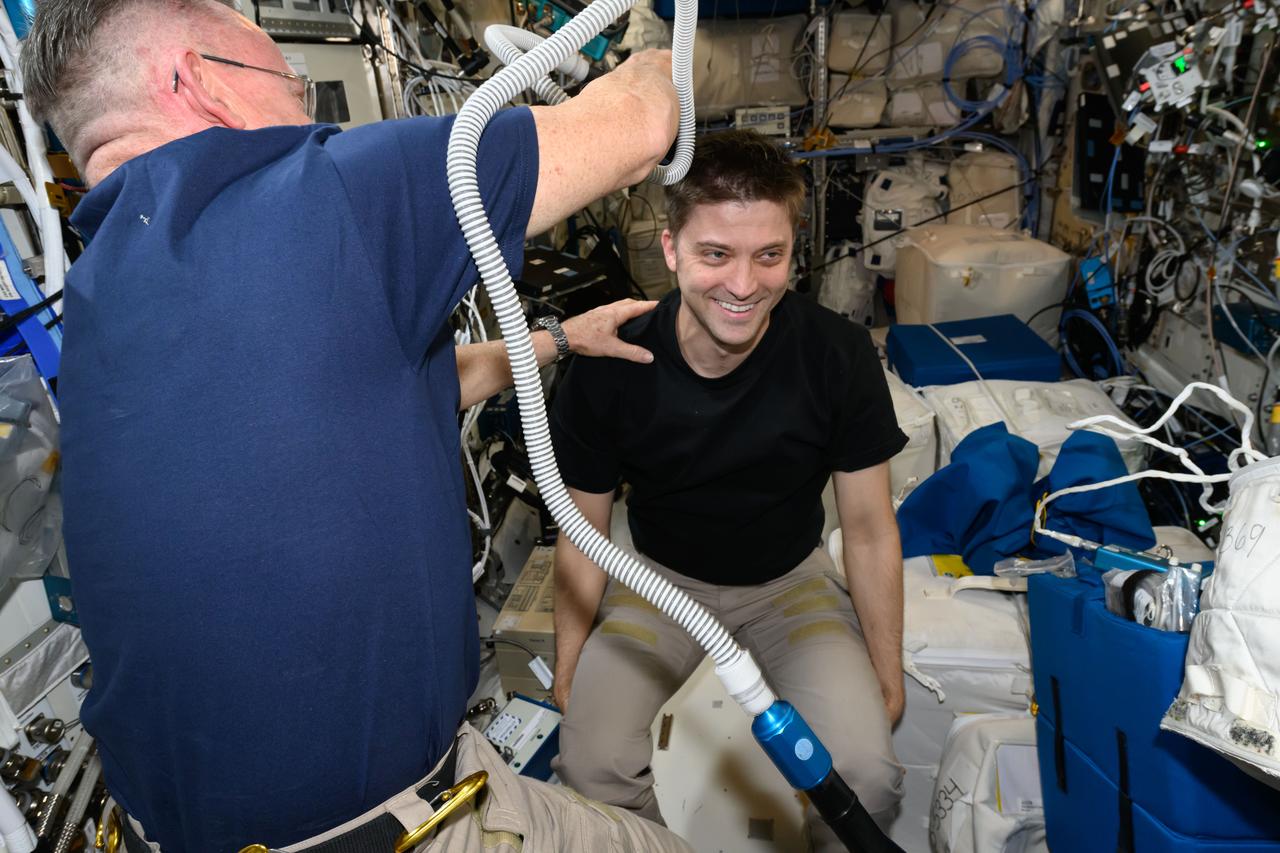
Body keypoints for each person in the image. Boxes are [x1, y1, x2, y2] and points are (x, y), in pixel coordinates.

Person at [20, 0, 694, 850]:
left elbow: (355, 395)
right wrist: (650, 41)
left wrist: (555, 340)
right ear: (203, 81)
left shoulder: (95, 296)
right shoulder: (325, 190)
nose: (307, 109)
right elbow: (640, 122)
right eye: (289, 82)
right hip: (387, 828)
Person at [549, 129, 908, 852]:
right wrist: (568, 662)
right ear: (672, 247)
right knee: (591, 762)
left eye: (768, 255)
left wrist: (886, 664)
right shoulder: (609, 365)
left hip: (790, 583)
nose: (743, 285)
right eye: (716, 254)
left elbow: (868, 528)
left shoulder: (837, 356)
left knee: (865, 774)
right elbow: (581, 531)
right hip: (658, 580)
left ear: (792, 255)